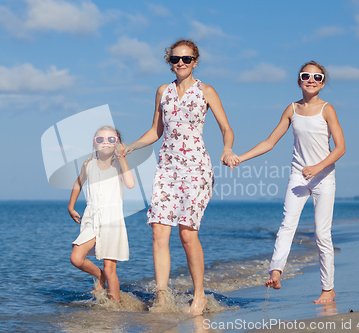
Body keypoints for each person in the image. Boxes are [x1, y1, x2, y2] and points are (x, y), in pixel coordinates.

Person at [124, 39, 239, 315]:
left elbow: (227, 129)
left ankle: (199, 295)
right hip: (167, 169)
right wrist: (131, 146)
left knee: (187, 235)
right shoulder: (162, 91)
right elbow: (156, 131)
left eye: (186, 59)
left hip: (196, 168)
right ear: (169, 62)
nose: (180, 63)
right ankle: (162, 296)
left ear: (195, 62)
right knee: (158, 231)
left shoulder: (206, 91)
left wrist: (227, 149)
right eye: (175, 59)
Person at [232, 61, 345, 303]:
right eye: (306, 76)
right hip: (298, 176)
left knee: (322, 234)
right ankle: (275, 273)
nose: (311, 80)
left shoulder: (327, 109)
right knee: (287, 225)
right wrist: (241, 158)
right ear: (299, 81)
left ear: (323, 83)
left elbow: (341, 148)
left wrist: (318, 166)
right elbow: (269, 142)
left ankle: (328, 290)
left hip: (323, 176)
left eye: (317, 77)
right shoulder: (291, 109)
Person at [68, 125, 135, 303]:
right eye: (100, 139)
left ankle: (115, 306)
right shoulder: (88, 165)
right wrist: (71, 206)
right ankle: (100, 276)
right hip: (92, 218)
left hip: (112, 221)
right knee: (76, 257)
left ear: (118, 144)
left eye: (111, 140)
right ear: (94, 144)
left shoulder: (119, 165)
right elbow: (78, 182)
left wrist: (122, 158)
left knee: (110, 267)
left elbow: (130, 184)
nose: (105, 143)